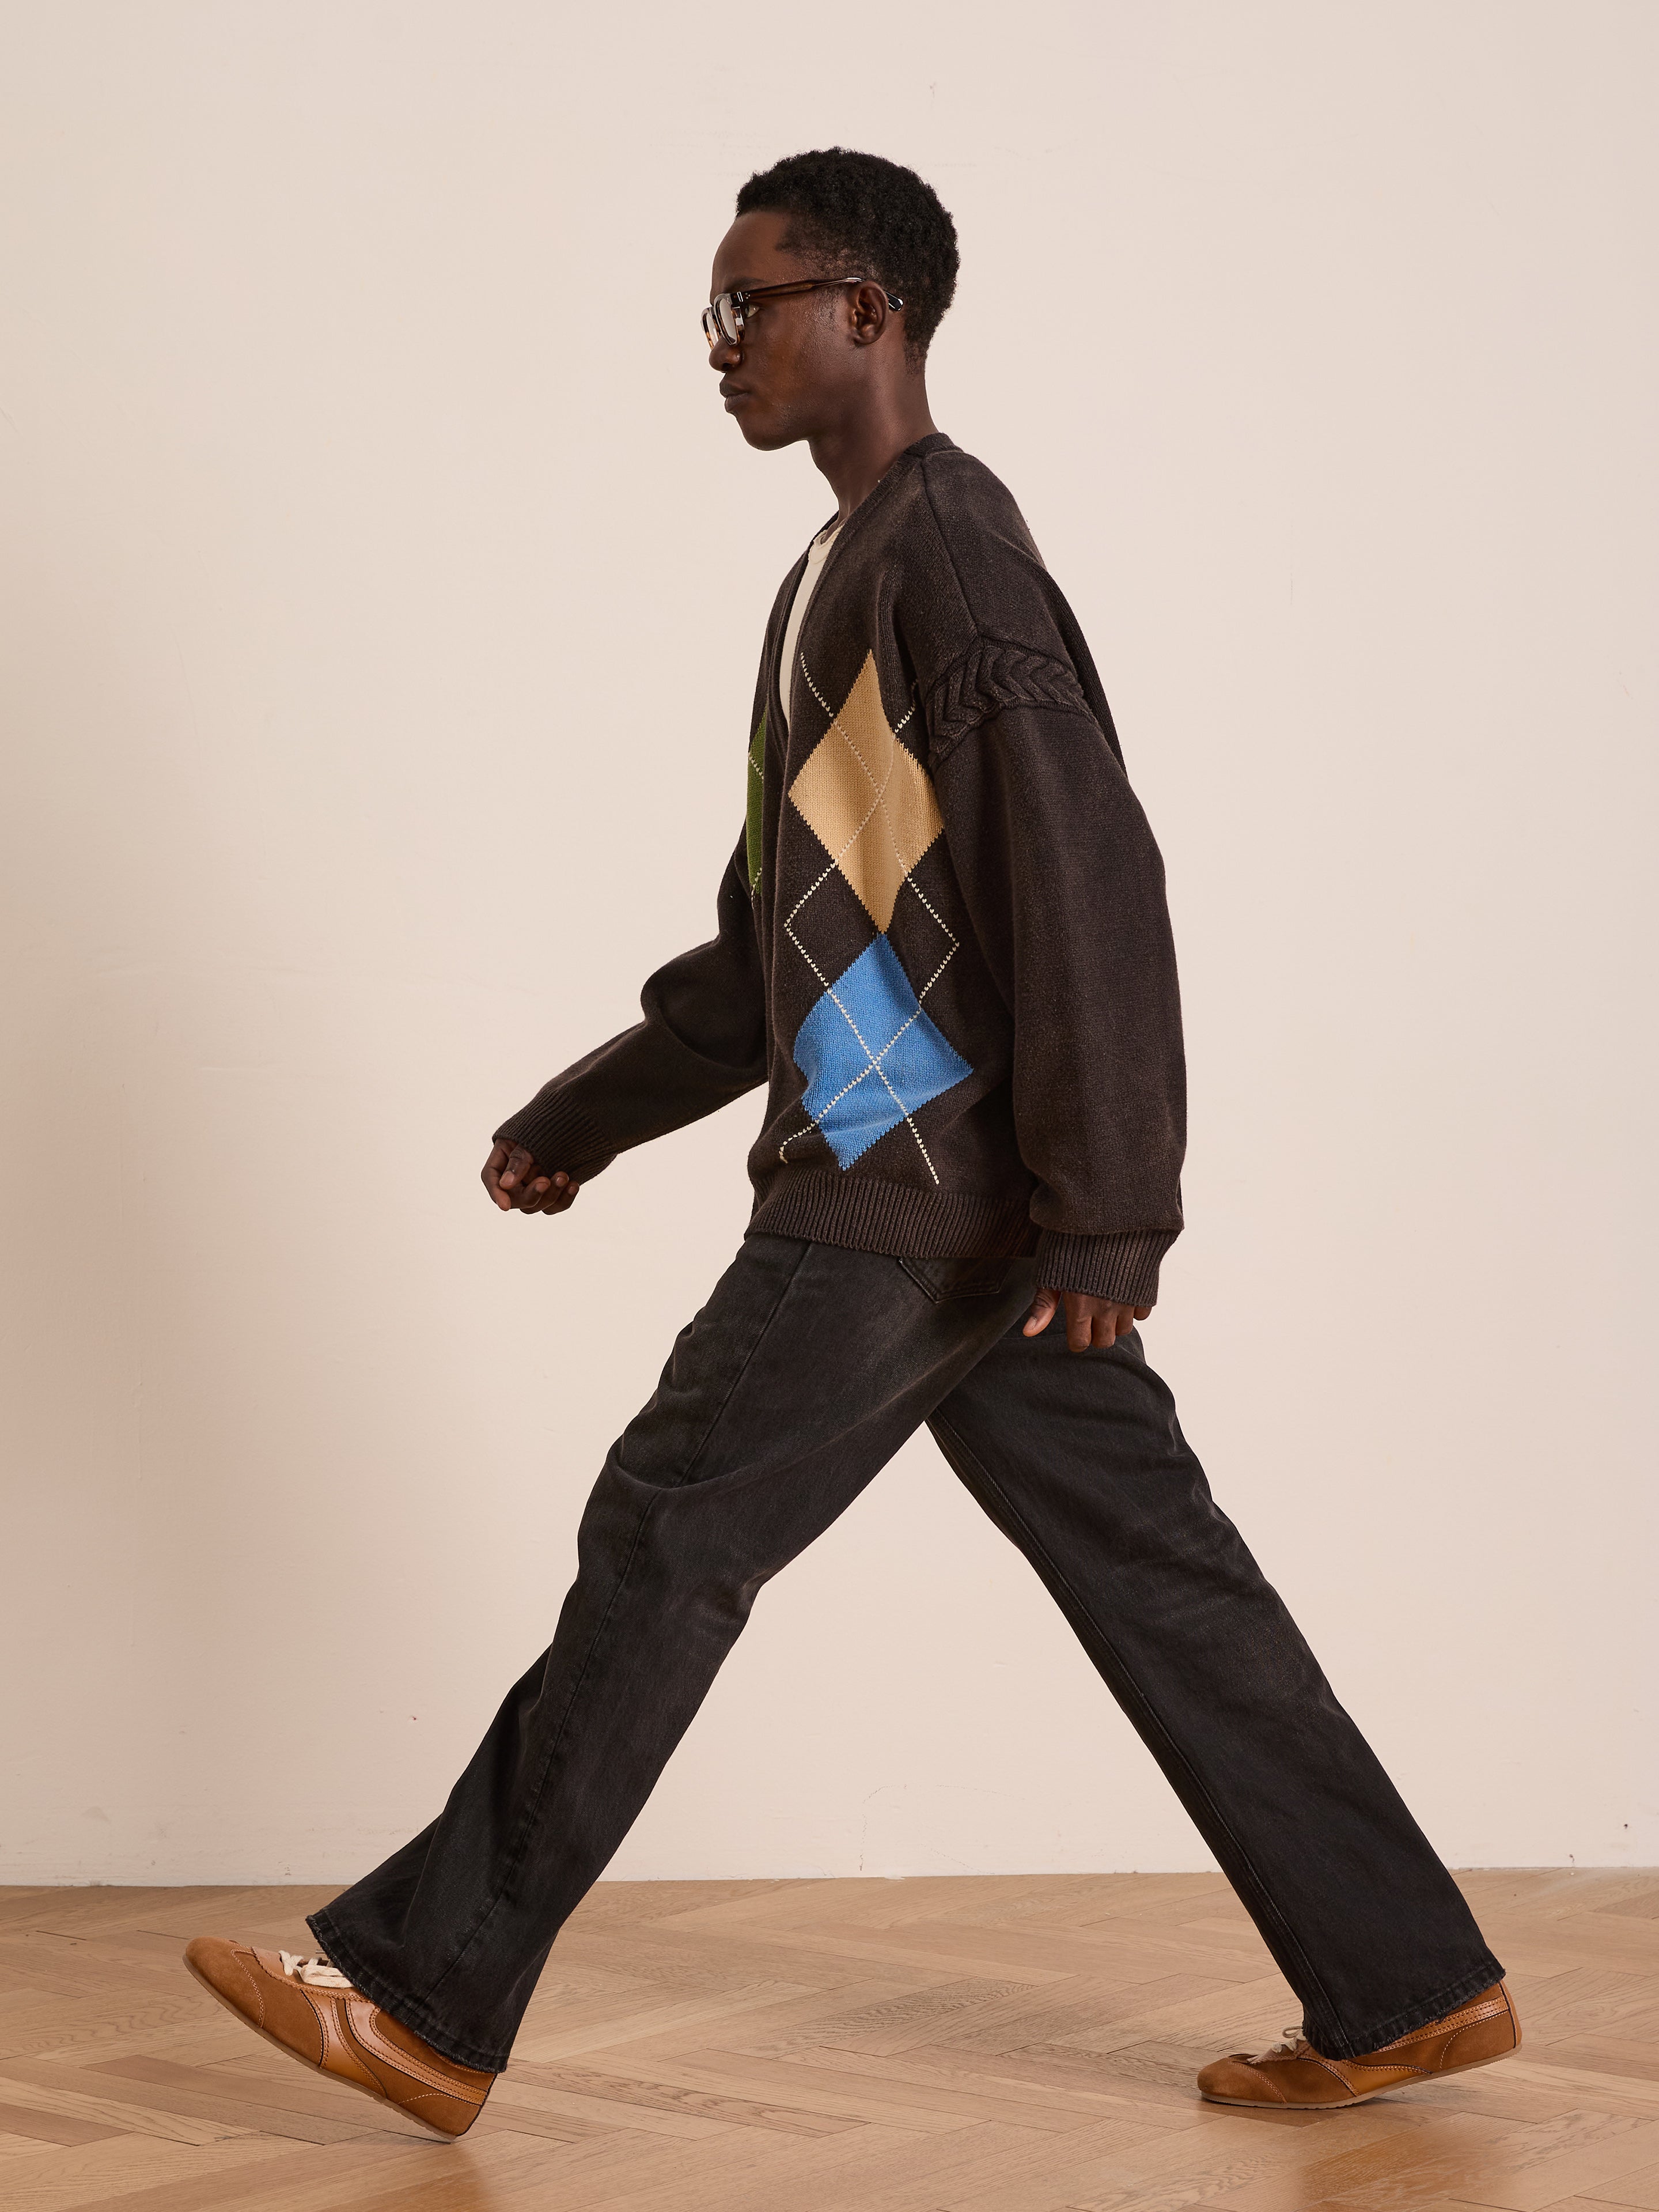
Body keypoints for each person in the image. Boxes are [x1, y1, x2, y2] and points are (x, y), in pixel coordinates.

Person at [183, 148, 1519, 2138]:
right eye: (713, 312)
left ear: (868, 314)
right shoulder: (834, 577)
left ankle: (427, 1997)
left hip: (912, 1197)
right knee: (1165, 1579)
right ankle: (1409, 1986)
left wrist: (1112, 1220)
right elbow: (769, 945)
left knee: (668, 1530)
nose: (721, 346)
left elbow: (1089, 880)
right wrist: (590, 1114)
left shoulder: (950, 560)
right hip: (964, 1203)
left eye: (756, 304)